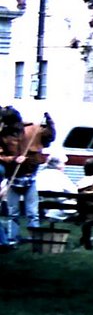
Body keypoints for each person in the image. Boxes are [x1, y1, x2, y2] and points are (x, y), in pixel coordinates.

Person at [0, 106, 54, 250]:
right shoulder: (3, 135)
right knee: (13, 213)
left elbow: (49, 137)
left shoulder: (34, 129)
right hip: (13, 178)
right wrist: (13, 159)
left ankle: (34, 240)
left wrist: (50, 123)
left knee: (32, 213)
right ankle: (13, 238)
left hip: (30, 178)